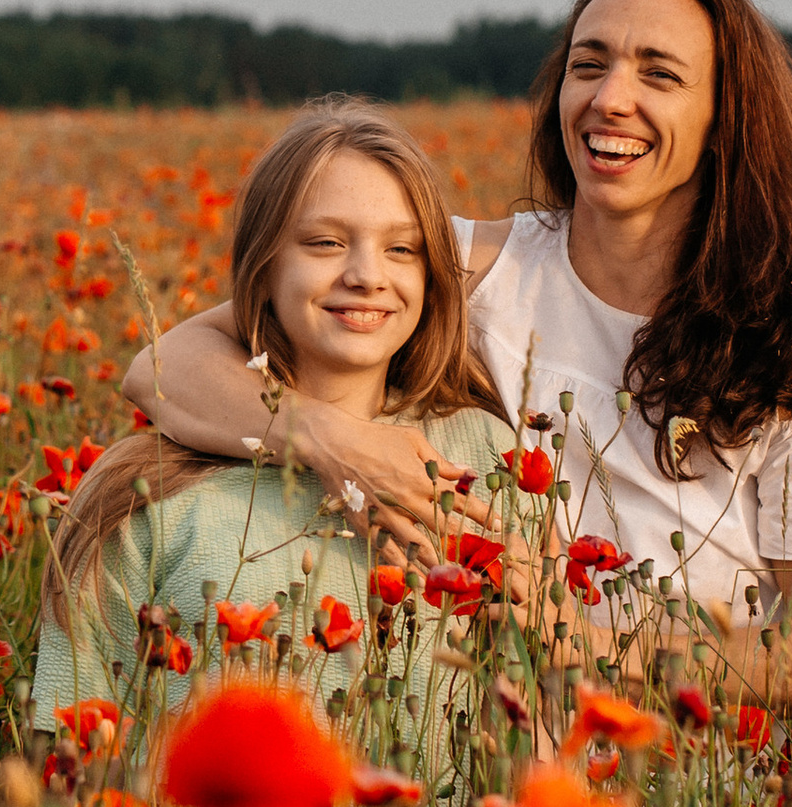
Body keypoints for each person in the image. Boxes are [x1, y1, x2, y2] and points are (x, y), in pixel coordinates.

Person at [121, 0, 792, 693]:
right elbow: (167, 361)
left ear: (727, 118)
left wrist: (587, 648)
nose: (609, 98)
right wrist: (335, 442)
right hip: (479, 751)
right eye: (588, 66)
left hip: (707, 799)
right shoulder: (470, 270)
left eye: (658, 74)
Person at [29, 100, 509, 739]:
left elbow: (541, 699)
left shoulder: (485, 453)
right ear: (264, 266)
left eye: (403, 248)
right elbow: (68, 756)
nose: (367, 276)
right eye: (326, 243)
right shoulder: (146, 489)